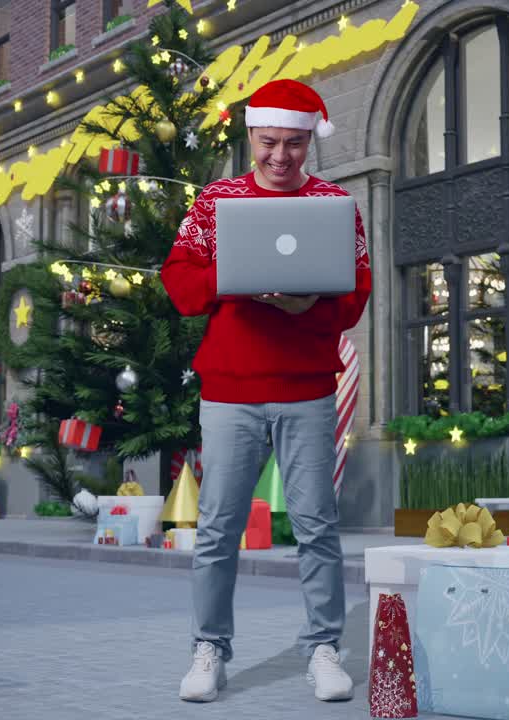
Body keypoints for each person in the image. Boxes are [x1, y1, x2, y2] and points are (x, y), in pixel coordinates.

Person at [160, 78, 372, 704]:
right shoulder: (216, 201)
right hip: (229, 389)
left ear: (311, 141)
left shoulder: (337, 203)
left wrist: (307, 303)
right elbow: (178, 280)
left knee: (316, 525)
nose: (281, 157)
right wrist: (238, 277)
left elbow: (356, 293)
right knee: (219, 528)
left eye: (296, 144)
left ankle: (325, 649)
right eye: (270, 142)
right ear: (251, 135)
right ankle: (209, 651)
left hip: (306, 387)